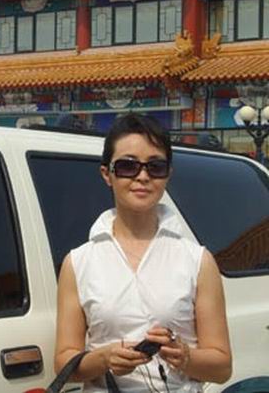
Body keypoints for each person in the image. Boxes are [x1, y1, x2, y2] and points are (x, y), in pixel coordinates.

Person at [54, 114, 232, 392]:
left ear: (168, 174)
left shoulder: (197, 260)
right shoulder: (78, 262)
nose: (142, 176)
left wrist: (185, 355)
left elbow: (222, 368)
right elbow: (64, 361)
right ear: (107, 174)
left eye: (155, 167)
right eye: (128, 166)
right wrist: (104, 358)